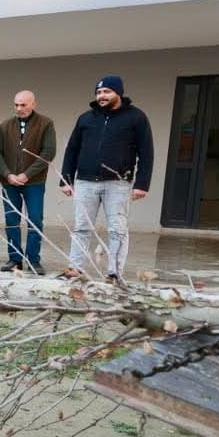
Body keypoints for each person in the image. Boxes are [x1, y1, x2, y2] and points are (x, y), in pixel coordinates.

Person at [59, 75, 155, 283]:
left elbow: (146, 152)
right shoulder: (86, 118)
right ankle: (74, 269)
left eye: (107, 92)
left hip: (118, 183)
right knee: (81, 227)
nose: (102, 96)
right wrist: (66, 179)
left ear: (118, 93)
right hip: (85, 182)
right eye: (99, 92)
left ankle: (114, 273)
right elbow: (72, 149)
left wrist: (142, 184)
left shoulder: (136, 117)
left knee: (117, 229)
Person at [0, 90, 56, 274]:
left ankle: (33, 260)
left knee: (35, 220)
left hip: (34, 182)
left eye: (23, 105)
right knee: (11, 220)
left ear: (33, 104)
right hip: (9, 182)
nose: (19, 108)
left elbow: (48, 152)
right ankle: (14, 259)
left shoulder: (46, 123)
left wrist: (27, 175)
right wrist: (7, 174)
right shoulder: (5, 125)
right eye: (16, 105)